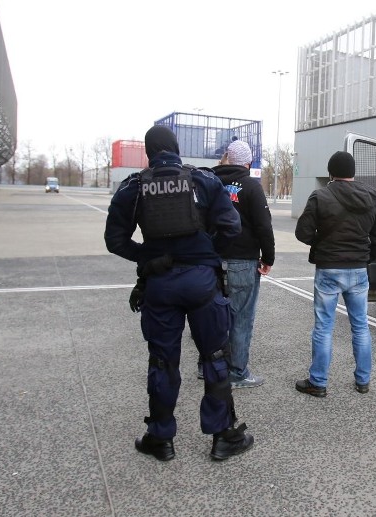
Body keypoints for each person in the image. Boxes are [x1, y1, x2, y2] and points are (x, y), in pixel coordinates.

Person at [104, 125, 254, 462]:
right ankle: (223, 437)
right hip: (203, 282)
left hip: (160, 283)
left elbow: (114, 240)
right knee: (214, 357)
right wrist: (206, 253)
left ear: (148, 153)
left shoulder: (134, 187)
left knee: (162, 361)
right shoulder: (203, 181)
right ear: (176, 149)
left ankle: (161, 439)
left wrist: (149, 258)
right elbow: (232, 226)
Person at [293, 151, 376, 397]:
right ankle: (363, 381)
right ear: (353, 172)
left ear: (331, 172)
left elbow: (302, 233)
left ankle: (318, 382)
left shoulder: (321, 196)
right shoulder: (372, 196)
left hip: (328, 269)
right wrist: (365, 258)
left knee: (324, 327)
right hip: (358, 270)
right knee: (360, 326)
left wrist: (322, 245)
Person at [211, 138, 275, 389]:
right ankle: (237, 372)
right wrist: (268, 258)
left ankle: (208, 368)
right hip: (243, 261)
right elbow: (263, 226)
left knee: (213, 316)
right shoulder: (250, 186)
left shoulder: (212, 183)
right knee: (241, 318)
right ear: (248, 163)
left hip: (213, 260)